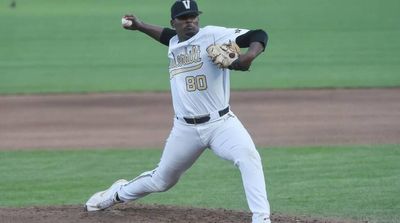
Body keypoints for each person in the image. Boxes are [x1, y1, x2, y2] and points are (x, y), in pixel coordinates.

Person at [85, 1, 270, 222]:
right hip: (185, 130)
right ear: (174, 22)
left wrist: (248, 56)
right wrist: (141, 25)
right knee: (161, 181)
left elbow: (259, 34)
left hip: (222, 124)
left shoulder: (213, 35)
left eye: (193, 16)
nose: (190, 21)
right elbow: (166, 36)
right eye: (183, 18)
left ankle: (261, 218)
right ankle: (116, 194)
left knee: (248, 157)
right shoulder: (174, 41)